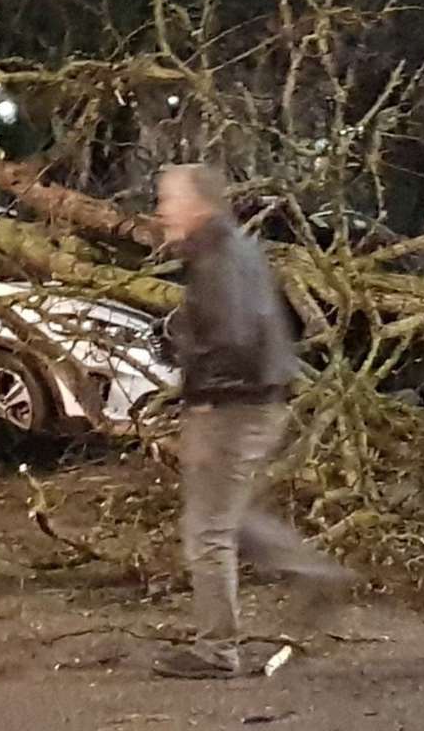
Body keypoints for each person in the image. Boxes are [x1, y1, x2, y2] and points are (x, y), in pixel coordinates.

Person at [152, 164, 355, 680]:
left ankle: (217, 652)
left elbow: (233, 336)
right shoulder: (232, 247)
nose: (161, 210)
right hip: (257, 399)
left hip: (232, 405)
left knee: (207, 531)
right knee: (230, 518)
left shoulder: (217, 255)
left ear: (198, 203)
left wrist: (201, 397)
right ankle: (314, 573)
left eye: (169, 199)